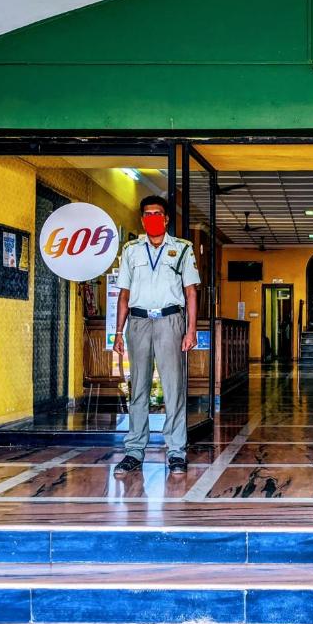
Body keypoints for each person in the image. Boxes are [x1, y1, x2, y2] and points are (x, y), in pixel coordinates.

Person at [112, 195, 200, 476]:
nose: (152, 217)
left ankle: (176, 451)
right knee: (138, 387)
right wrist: (117, 331)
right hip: (138, 322)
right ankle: (134, 450)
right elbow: (124, 294)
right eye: (147, 213)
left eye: (157, 213)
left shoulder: (183, 249)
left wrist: (191, 330)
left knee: (173, 388)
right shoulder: (131, 251)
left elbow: (191, 292)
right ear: (142, 219)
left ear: (166, 219)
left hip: (170, 320)